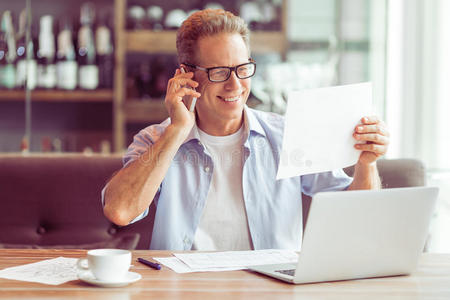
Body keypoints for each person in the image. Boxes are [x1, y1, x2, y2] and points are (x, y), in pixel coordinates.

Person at [102, 9, 389, 251]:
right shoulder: (156, 139)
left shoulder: (287, 135)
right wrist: (177, 130)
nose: (235, 85)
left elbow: (357, 216)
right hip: (184, 289)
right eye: (219, 72)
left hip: (271, 290)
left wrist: (367, 165)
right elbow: (120, 211)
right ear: (186, 76)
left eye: (242, 68)